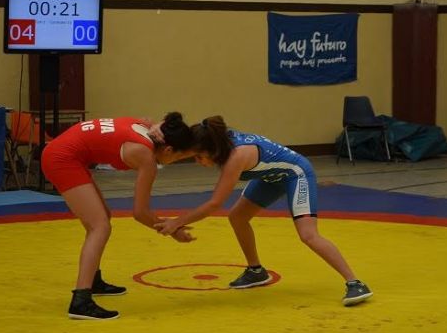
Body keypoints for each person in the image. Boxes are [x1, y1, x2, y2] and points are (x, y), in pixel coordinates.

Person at [153, 116, 374, 306]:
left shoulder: (235, 158)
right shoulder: (212, 137)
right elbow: (185, 143)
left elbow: (214, 203)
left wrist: (176, 222)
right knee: (238, 217)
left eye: (200, 158)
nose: (198, 163)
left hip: (296, 174)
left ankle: (355, 283)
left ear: (214, 151)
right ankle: (256, 271)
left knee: (308, 235)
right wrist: (158, 128)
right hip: (270, 176)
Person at [41, 112, 199, 320]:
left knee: (100, 218)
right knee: (100, 226)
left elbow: (166, 121)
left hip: (64, 152)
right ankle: (80, 300)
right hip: (62, 159)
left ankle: (93, 281)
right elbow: (140, 213)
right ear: (168, 149)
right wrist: (173, 230)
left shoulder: (145, 126)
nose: (174, 162)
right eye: (178, 158)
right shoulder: (146, 157)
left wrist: (160, 121)